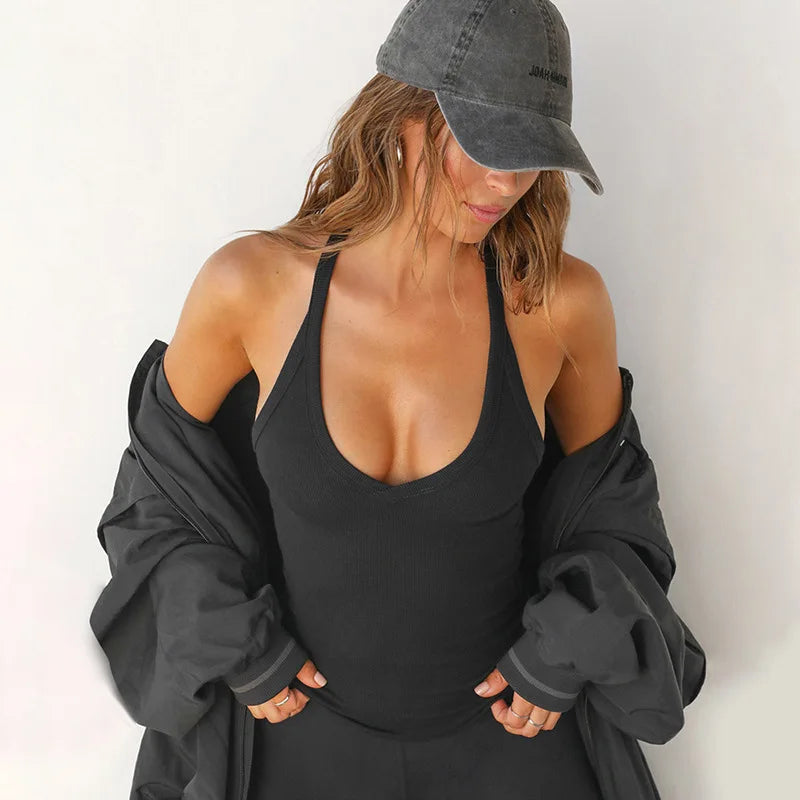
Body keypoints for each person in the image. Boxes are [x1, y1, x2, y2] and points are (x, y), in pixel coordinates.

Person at [90, 2, 705, 798]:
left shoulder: (558, 304)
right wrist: (233, 641)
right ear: (402, 115)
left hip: (515, 741)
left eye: (530, 157)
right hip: (293, 740)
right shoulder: (252, 287)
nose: (506, 184)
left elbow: (612, 514)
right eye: (483, 147)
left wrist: (564, 649)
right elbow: (155, 500)